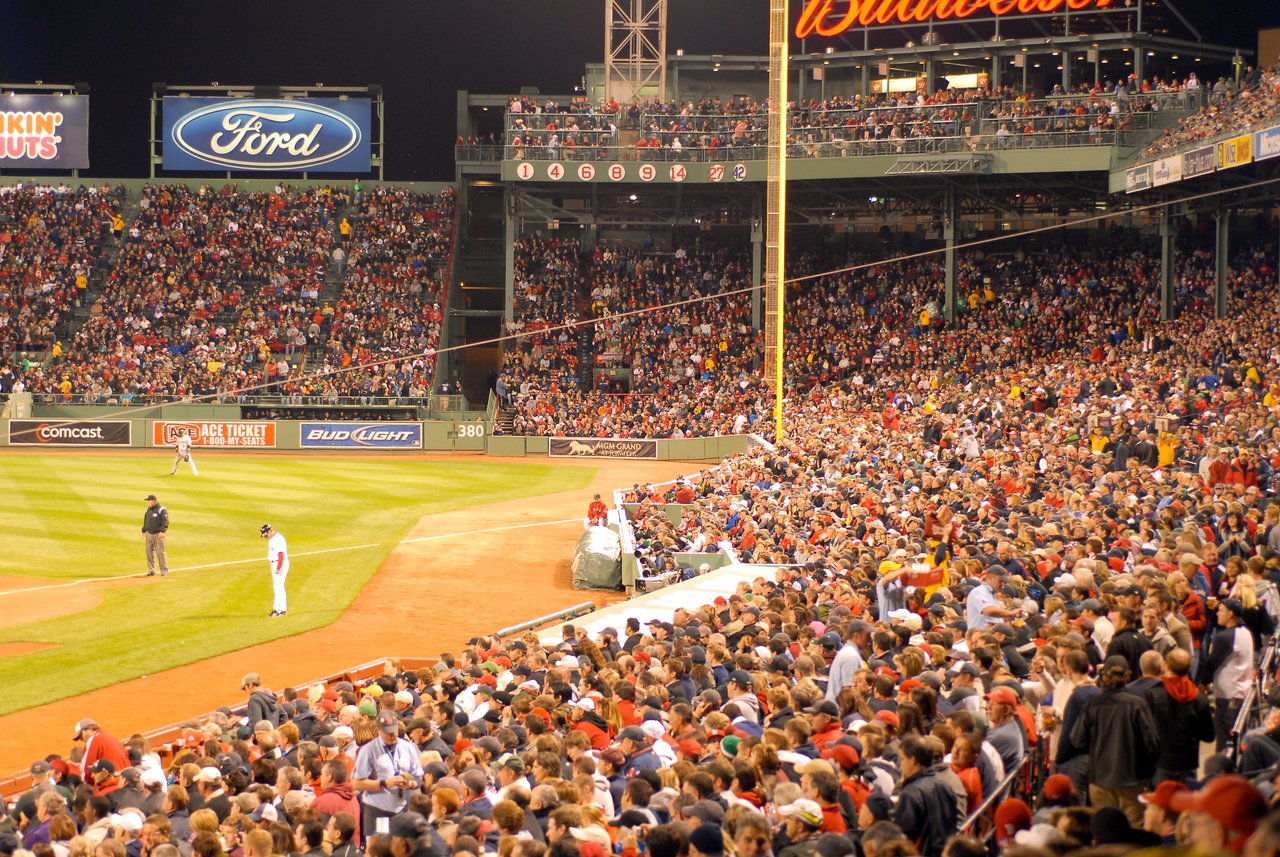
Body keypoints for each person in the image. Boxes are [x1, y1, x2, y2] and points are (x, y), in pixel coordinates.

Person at [352, 712, 423, 845]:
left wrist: (411, 784)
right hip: (378, 812)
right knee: (379, 850)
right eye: (387, 732)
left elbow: (419, 777)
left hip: (402, 809)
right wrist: (385, 783)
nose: (391, 735)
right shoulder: (368, 750)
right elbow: (356, 783)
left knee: (400, 850)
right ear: (378, 730)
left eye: (394, 732)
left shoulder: (408, 747)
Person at [261, 524, 289, 617]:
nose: (265, 537)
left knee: (277, 587)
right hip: (277, 563)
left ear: (270, 531)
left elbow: (281, 555)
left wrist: (278, 568)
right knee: (279, 586)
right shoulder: (273, 538)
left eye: (265, 534)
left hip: (279, 563)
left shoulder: (278, 539)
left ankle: (277, 610)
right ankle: (283, 609)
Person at [142, 495, 169, 578]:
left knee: (160, 553)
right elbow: (146, 520)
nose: (147, 502)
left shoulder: (162, 509)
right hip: (149, 534)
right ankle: (151, 570)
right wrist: (143, 531)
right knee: (149, 552)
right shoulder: (149, 510)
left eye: (148, 501)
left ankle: (164, 571)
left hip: (158, 535)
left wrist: (162, 531)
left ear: (154, 501)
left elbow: (165, 521)